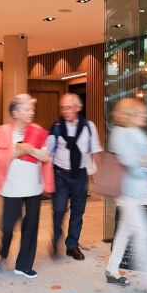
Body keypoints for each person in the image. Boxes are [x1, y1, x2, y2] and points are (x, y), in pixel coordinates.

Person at [0, 94, 53, 279]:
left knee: (30, 227)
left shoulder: (37, 130)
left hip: (33, 187)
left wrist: (29, 149)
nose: (31, 112)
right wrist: (17, 151)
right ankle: (3, 252)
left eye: (32, 109)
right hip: (11, 188)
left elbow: (46, 156)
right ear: (15, 112)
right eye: (27, 109)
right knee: (7, 226)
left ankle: (23, 266)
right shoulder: (3, 131)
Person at [104, 98, 147, 286]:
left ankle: (111, 270)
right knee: (143, 232)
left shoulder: (138, 134)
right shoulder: (120, 134)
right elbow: (129, 162)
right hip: (127, 192)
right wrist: (144, 161)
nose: (146, 115)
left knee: (124, 232)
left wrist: (145, 161)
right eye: (140, 113)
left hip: (138, 191)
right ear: (129, 115)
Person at [46, 93, 103, 260]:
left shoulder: (88, 127)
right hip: (60, 174)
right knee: (59, 208)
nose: (65, 111)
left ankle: (72, 245)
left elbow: (95, 149)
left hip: (80, 174)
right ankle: (57, 236)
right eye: (63, 108)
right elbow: (48, 151)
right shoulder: (56, 126)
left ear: (78, 108)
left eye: (69, 107)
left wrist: (99, 171)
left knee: (78, 210)